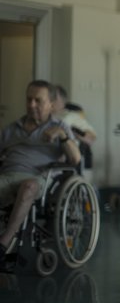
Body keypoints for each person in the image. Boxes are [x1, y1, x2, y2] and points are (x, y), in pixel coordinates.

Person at [0, 80, 81, 261]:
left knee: (28, 187)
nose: (31, 105)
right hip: (6, 175)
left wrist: (62, 137)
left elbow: (76, 159)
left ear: (51, 105)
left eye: (38, 100)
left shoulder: (60, 127)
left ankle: (3, 244)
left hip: (39, 179)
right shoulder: (12, 129)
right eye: (29, 100)